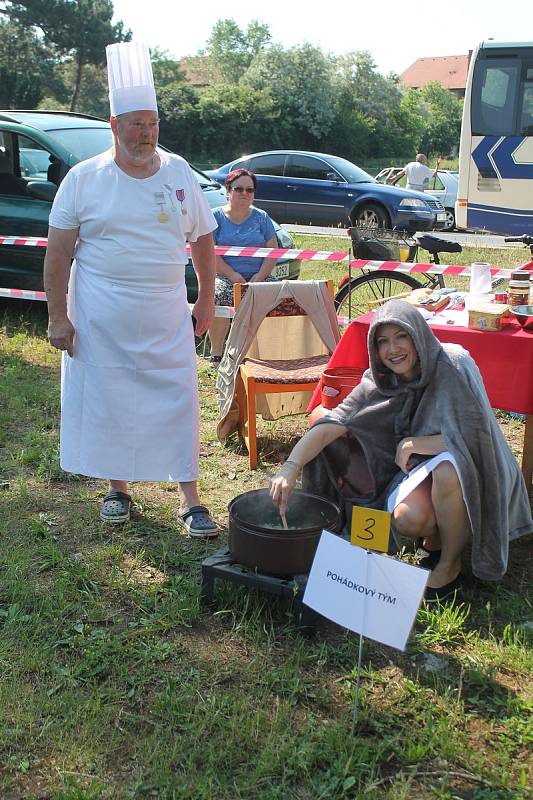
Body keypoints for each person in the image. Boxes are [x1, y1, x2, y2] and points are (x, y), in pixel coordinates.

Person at [43, 41, 220, 537]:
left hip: (166, 308)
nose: (147, 134)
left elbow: (203, 236)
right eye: (137, 123)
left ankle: (190, 498)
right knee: (109, 396)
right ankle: (118, 490)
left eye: (153, 123)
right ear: (114, 125)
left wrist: (205, 296)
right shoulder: (83, 180)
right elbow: (58, 253)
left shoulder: (179, 171)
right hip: (101, 309)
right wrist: (59, 315)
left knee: (178, 396)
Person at [270, 300, 532, 602]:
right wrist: (290, 467)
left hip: (470, 461)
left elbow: (476, 436)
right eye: (383, 341)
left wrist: (415, 443)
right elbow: (334, 422)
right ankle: (434, 537)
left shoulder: (453, 363)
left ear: (417, 334)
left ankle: (449, 565)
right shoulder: (380, 380)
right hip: (419, 467)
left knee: (447, 471)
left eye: (401, 336)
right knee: (409, 518)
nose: (393, 349)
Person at [207, 168, 278, 366]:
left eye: (250, 190)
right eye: (239, 189)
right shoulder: (215, 217)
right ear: (228, 191)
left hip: (259, 275)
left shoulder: (262, 217)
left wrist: (260, 276)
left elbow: (273, 252)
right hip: (225, 275)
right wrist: (233, 275)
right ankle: (217, 353)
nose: (245, 194)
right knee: (219, 295)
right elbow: (211, 254)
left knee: (278, 294)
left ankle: (265, 350)